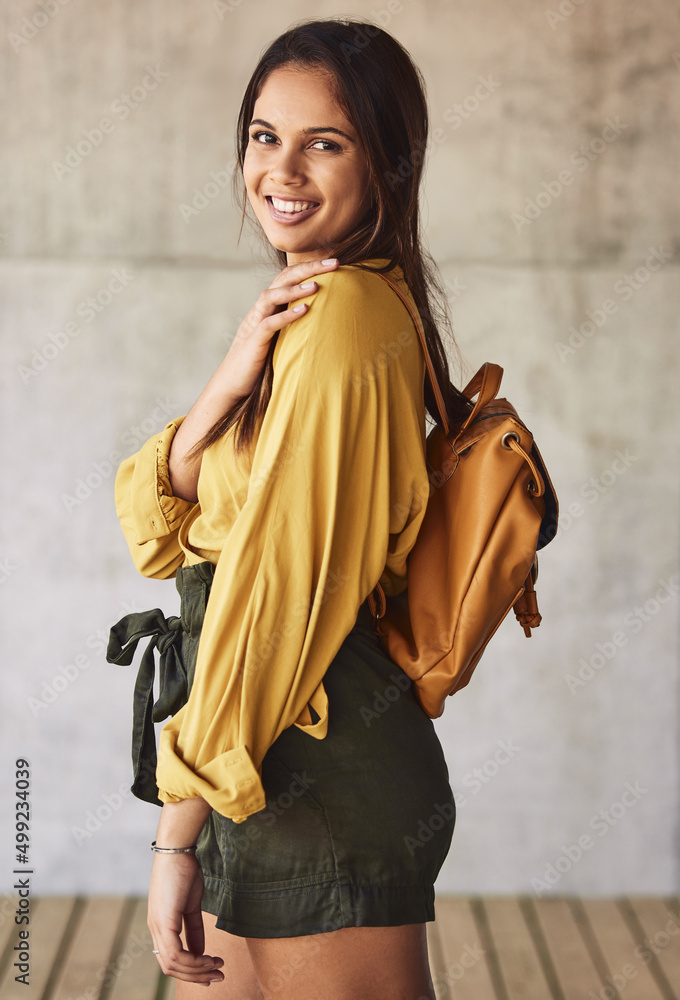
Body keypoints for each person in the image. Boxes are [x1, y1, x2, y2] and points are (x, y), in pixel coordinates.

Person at [109, 17, 473, 1000]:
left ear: (389, 164)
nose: (282, 168)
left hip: (315, 765)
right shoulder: (301, 309)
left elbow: (273, 595)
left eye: (326, 141)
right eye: (265, 135)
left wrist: (173, 830)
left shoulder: (346, 319)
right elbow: (167, 536)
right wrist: (219, 395)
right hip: (254, 753)